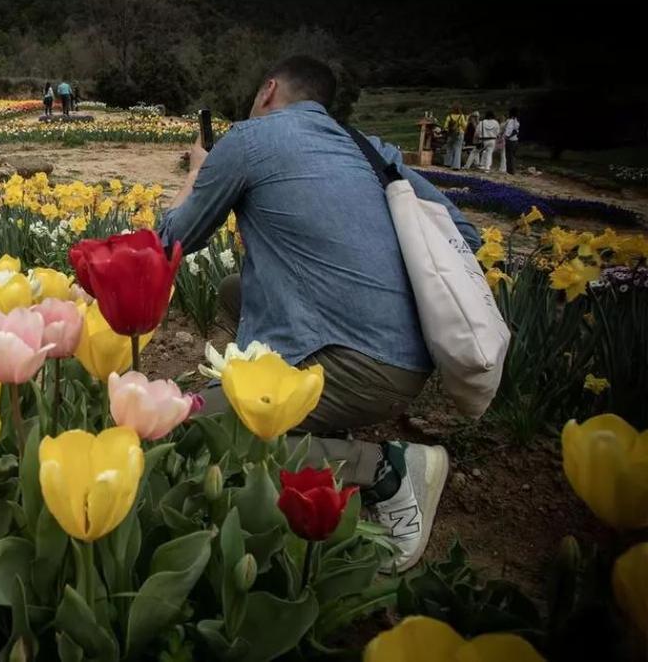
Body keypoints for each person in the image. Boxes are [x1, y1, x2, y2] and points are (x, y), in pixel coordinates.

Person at [157, 55, 482, 573]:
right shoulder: (369, 149)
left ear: (268, 91)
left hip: (363, 369)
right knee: (234, 290)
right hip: (414, 357)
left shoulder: (247, 140)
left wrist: (198, 172)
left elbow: (170, 242)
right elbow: (464, 235)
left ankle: (388, 471)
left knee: (187, 427)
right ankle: (315, 418)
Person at [443, 104, 468, 169]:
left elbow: (445, 126)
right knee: (458, 149)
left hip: (451, 134)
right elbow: (464, 126)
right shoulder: (461, 116)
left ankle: (447, 163)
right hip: (459, 133)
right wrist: (466, 120)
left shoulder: (449, 116)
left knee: (449, 148)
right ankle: (456, 166)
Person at [504, 107, 521, 174]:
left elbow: (514, 131)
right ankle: (511, 170)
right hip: (515, 140)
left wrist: (507, 136)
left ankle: (510, 171)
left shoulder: (512, 121)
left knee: (509, 156)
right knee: (512, 156)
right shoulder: (517, 120)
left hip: (511, 140)